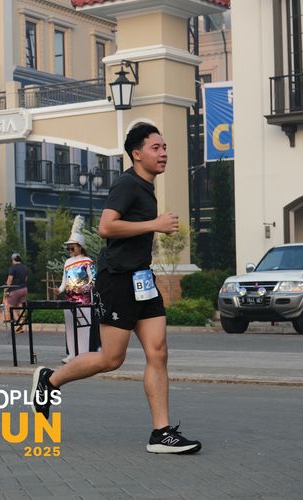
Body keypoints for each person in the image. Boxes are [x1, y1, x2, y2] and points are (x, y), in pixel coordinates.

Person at [31, 122, 202, 454]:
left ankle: (161, 433)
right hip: (118, 279)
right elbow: (106, 227)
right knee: (111, 359)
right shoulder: (127, 184)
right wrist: (156, 224)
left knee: (159, 352)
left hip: (143, 279)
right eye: (156, 148)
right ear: (137, 154)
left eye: (165, 147)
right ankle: (50, 380)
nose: (163, 153)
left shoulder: (146, 186)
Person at [53, 216, 96, 364]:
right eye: (69, 248)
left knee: (83, 329)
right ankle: (72, 354)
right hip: (69, 301)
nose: (70, 250)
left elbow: (94, 279)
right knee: (70, 328)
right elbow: (64, 281)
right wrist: (59, 290)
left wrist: (86, 287)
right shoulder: (68, 262)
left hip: (84, 301)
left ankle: (83, 356)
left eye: (72, 247)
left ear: (80, 246)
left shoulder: (88, 261)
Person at [4, 253, 28, 333]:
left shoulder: (12, 267)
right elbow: (26, 279)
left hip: (15, 289)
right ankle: (21, 322)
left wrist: (6, 289)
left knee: (10, 307)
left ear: (13, 260)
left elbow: (10, 280)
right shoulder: (25, 268)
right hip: (24, 289)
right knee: (20, 306)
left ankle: (18, 323)